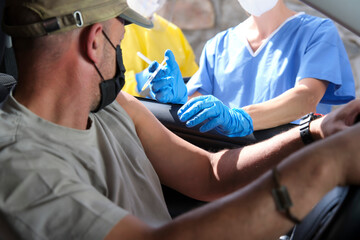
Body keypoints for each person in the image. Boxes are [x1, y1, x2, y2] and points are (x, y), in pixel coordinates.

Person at [1, 0, 360, 239]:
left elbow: (210, 174)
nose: (121, 50)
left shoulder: (115, 107)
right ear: (95, 43)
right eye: (120, 37)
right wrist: (323, 167)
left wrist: (314, 132)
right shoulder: (20, 166)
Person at [143, 0, 356, 137]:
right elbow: (200, 107)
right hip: (228, 166)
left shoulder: (317, 32)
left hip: (291, 164)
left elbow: (306, 99)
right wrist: (177, 99)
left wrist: (241, 118)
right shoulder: (219, 45)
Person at [121, 0, 198, 97]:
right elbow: (103, 85)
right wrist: (137, 83)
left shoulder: (173, 32)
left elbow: (194, 82)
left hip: (168, 110)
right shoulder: (114, 27)